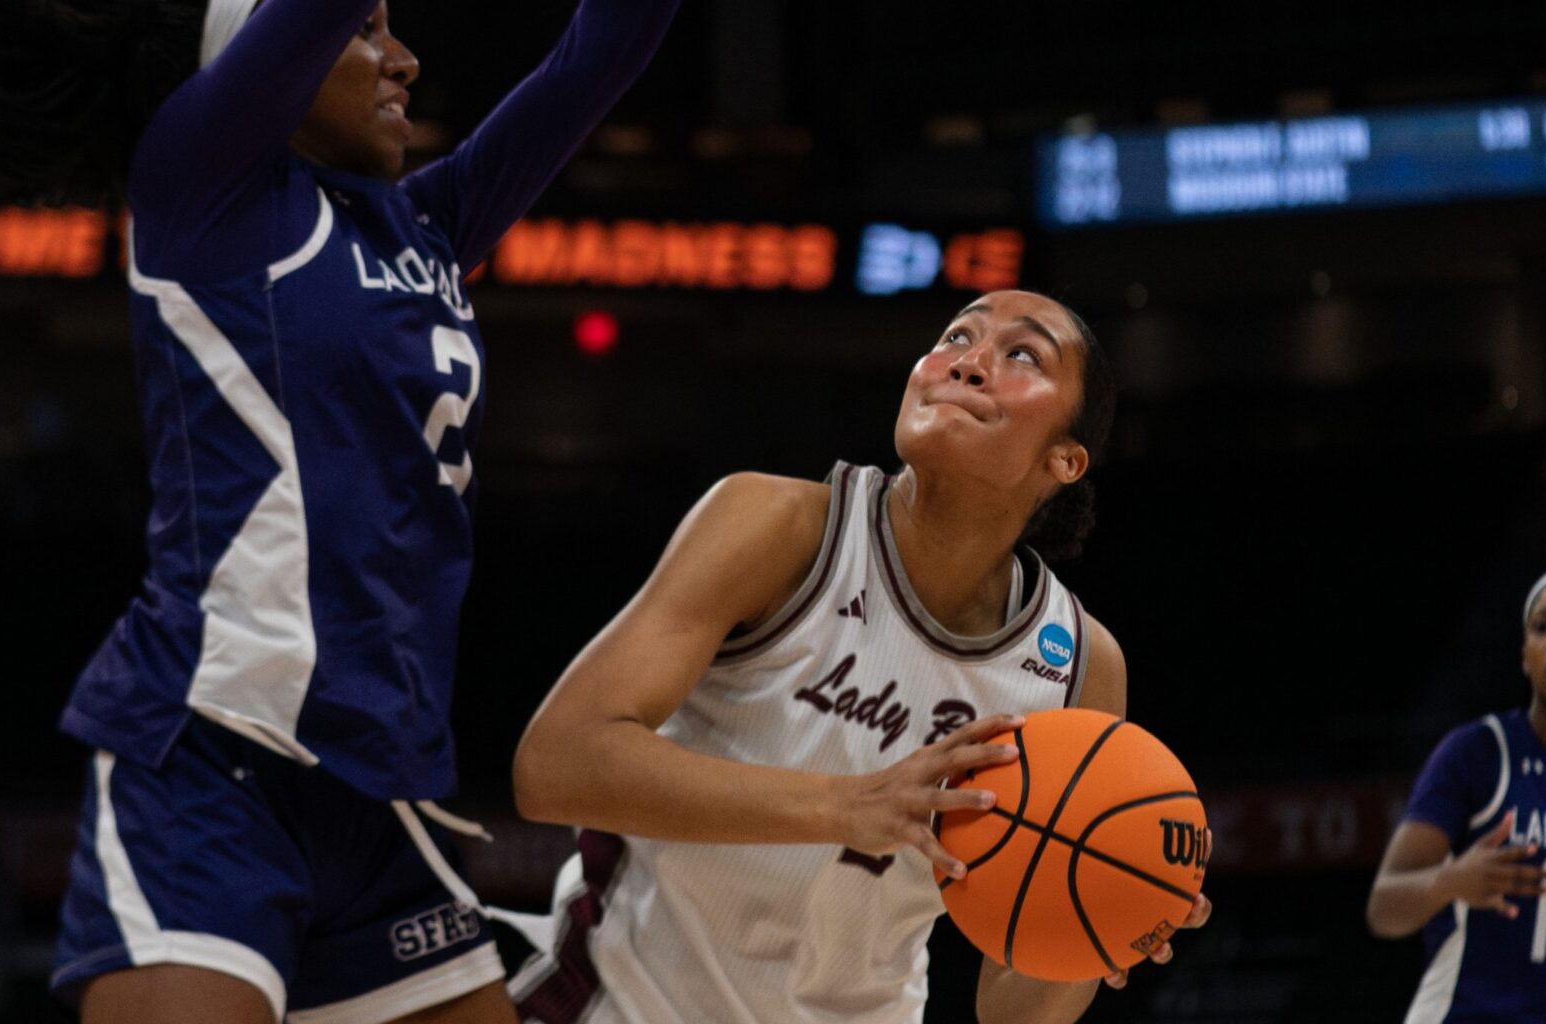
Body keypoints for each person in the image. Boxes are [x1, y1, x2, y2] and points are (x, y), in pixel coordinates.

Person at [0, 0, 680, 1020]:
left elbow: (602, 51)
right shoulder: (200, 185)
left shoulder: (429, 223)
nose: (407, 60)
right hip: (213, 755)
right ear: (261, 62)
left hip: (377, 786)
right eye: (369, 30)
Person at [509, 290, 1209, 1024]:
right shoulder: (778, 526)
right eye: (956, 336)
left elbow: (1012, 1008)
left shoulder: (1078, 662)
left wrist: (1099, 925)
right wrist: (845, 806)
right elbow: (555, 762)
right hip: (618, 1005)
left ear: (1065, 459)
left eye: (1022, 354)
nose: (968, 362)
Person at [1368, 564, 1546, 1023]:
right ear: (1524, 654)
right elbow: (1383, 908)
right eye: (1543, 626)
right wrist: (1450, 881)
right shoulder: (1478, 753)